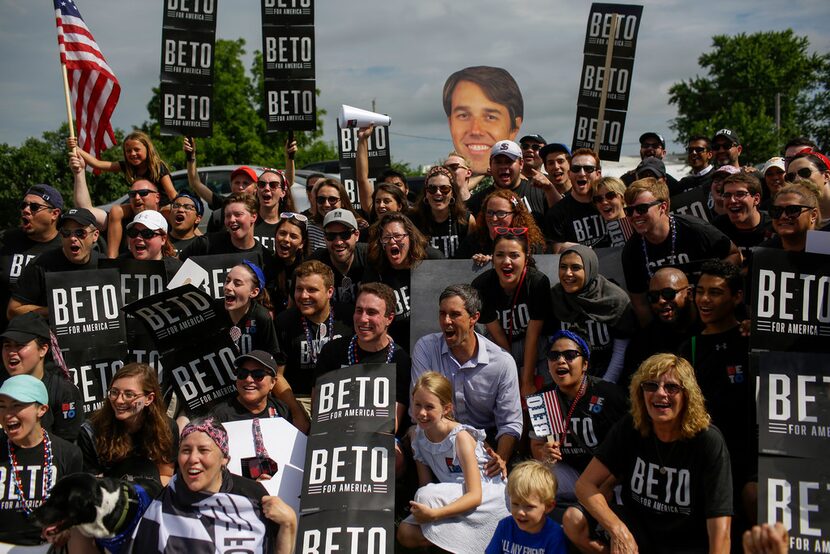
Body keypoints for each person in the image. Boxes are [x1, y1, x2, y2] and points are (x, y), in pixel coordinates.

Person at [575, 354, 733, 553]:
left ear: (687, 395)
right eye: (650, 386)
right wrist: (617, 529)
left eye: (671, 387)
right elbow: (584, 485)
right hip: (639, 535)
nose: (660, 393)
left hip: (687, 543)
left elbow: (721, 528)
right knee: (575, 520)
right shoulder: (631, 426)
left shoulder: (708, 441)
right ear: (640, 392)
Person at [128, 417, 297, 554]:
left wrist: (289, 523)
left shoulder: (251, 496)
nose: (193, 458)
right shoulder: (160, 503)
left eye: (203, 450)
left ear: (224, 459)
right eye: (186, 450)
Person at [528, 331, 627, 552]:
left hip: (610, 478)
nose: (560, 361)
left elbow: (628, 451)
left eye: (570, 355)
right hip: (572, 473)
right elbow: (535, 446)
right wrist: (544, 452)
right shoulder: (543, 398)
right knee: (523, 482)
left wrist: (608, 484)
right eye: (554, 356)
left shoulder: (609, 395)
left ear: (585, 364)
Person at [411, 284, 522, 474]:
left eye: (454, 314)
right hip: (438, 432)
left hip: (489, 441)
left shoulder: (502, 362)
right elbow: (420, 408)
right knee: (415, 433)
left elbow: (510, 424)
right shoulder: (426, 349)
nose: (446, 321)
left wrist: (499, 460)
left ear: (474, 318)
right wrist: (469, 436)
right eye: (442, 313)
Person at [397, 371, 509, 553]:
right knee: (405, 531)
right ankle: (458, 540)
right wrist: (426, 511)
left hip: (486, 499)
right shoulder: (418, 438)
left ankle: (467, 540)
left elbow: (475, 495)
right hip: (452, 495)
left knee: (426, 496)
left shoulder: (460, 437)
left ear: (447, 409)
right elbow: (425, 485)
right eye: (417, 405)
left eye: (429, 407)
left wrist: (434, 514)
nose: (422, 413)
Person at [680, 261, 755, 525]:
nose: (704, 299)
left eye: (715, 292)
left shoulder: (753, 339)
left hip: (749, 459)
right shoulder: (688, 348)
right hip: (705, 463)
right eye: (700, 291)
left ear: (737, 297)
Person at [620, 177, 741, 325]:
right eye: (629, 211)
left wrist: (713, 285)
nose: (635, 215)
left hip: (707, 314)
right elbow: (640, 303)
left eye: (642, 209)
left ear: (662, 207)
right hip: (667, 321)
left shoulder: (694, 230)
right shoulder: (632, 250)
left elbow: (734, 255)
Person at [314, 283, 411, 439]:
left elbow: (393, 423)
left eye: (372, 312)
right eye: (359, 311)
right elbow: (318, 407)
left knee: (397, 460)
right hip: (334, 434)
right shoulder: (332, 351)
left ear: (389, 318)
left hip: (377, 437)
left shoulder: (400, 360)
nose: (363, 319)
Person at [0, 375, 83, 546]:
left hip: (48, 547)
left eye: (17, 405)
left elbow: (75, 513)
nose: (8, 414)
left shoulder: (68, 453)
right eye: (2, 406)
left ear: (42, 409)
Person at [471, 228, 553, 397]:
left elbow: (533, 334)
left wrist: (527, 382)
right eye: (500, 255)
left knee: (545, 386)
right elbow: (497, 335)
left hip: (534, 345)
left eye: (514, 255)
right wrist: (514, 373)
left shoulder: (537, 282)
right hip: (502, 345)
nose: (506, 262)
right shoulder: (481, 285)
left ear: (526, 257)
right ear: (492, 257)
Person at [78, 363, 178, 485]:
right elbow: (92, 485)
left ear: (149, 399)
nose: (119, 400)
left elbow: (166, 474)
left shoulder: (167, 428)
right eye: (114, 392)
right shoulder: (91, 432)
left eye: (129, 395)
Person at [551, 245, 636, 383]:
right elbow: (551, 348)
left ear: (590, 268)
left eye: (576, 267)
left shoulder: (614, 300)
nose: (568, 273)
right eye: (563, 267)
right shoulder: (555, 298)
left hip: (610, 379)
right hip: (567, 379)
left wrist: (605, 385)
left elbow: (621, 352)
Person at [275, 260, 351, 413]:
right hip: (299, 399)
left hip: (343, 397)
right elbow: (277, 376)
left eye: (312, 290)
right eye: (299, 289)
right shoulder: (284, 322)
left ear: (330, 292)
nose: (304, 296)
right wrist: (297, 414)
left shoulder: (348, 318)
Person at [364, 212, 443, 351]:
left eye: (398, 236)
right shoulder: (376, 268)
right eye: (386, 237)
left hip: (434, 342)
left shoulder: (431, 258)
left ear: (410, 237)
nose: (392, 241)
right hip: (396, 346)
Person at [1, 313, 84, 442]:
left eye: (19, 345)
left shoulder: (63, 392)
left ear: (43, 349)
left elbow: (68, 449)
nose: (11, 352)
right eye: (7, 346)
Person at [7, 208, 100, 320]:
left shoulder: (105, 265)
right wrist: (59, 310)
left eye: (80, 233)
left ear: (95, 235)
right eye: (66, 233)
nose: (73, 238)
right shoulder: (40, 264)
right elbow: (13, 311)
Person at [0, 184, 63, 330]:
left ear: (54, 214)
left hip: (46, 341)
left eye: (34, 207)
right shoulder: (5, 241)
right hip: (6, 339)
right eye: (24, 205)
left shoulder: (67, 248)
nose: (26, 211)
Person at [443, 66, 524, 178]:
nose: (476, 131)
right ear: (450, 123)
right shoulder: (439, 189)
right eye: (464, 115)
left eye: (490, 117)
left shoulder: (534, 190)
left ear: (514, 128)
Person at [624, 268, 700, 383]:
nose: (661, 301)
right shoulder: (645, 341)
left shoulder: (711, 328)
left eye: (668, 293)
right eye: (654, 296)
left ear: (689, 294)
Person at [210, 350, 309, 435]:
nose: (248, 379)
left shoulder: (282, 409)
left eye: (258, 375)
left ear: (272, 382)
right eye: (242, 373)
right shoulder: (220, 415)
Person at [466, 140, 556, 226]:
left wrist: (550, 189)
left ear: (521, 164)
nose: (504, 166)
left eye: (509, 161)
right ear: (490, 164)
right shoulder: (476, 201)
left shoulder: (541, 193)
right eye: (498, 162)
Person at [486, 460, 568, 554]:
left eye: (529, 506)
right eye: (515, 504)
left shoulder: (554, 535)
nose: (520, 511)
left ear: (548, 506)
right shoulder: (505, 526)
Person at [455, 188, 546, 262]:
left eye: (501, 213)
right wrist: (472, 264)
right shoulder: (473, 242)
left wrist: (496, 261)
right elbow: (456, 270)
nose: (494, 218)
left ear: (515, 215)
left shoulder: (530, 242)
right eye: (490, 212)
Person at [544, 148, 606, 251]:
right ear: (569, 174)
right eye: (576, 169)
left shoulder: (608, 204)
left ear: (598, 174)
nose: (581, 173)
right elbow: (556, 252)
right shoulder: (556, 214)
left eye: (588, 168)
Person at [179, 192, 270, 261]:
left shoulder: (264, 257)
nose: (231, 220)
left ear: (253, 217)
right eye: (227, 216)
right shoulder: (206, 244)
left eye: (238, 214)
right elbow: (174, 265)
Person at [410, 165, 476, 258]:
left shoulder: (467, 220)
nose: (438, 193)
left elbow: (473, 254)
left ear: (452, 192)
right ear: (426, 193)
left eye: (444, 188)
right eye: (432, 189)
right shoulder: (412, 221)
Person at [219, 261, 280, 357]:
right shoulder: (214, 310)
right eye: (227, 281)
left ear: (254, 292)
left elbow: (271, 357)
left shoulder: (261, 316)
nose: (228, 287)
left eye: (237, 284)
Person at [311, 209, 367, 310]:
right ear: (324, 237)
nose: (338, 242)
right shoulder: (315, 263)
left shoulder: (369, 255)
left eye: (345, 235)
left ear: (357, 235)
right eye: (331, 236)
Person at [713, 173, 773, 261]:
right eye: (727, 195)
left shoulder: (774, 226)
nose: (732, 200)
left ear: (756, 199)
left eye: (740, 194)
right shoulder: (717, 228)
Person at [758, 181, 821, 252]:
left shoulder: (825, 247)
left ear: (813, 215)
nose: (783, 216)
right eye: (777, 210)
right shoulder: (765, 251)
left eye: (793, 210)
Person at [120, 209, 182, 279]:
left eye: (147, 233)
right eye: (133, 232)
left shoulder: (178, 272)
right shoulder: (118, 266)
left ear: (163, 239)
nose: (138, 237)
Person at [267, 212, 309, 314]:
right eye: (282, 233)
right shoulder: (266, 265)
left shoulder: (308, 270)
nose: (286, 239)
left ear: (301, 244)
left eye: (293, 236)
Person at [307, 178, 364, 252]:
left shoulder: (360, 226)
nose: (326, 204)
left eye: (332, 199)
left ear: (343, 201)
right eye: (321, 199)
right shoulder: (309, 227)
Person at [253, 168, 296, 252]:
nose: (266, 188)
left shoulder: (290, 225)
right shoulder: (248, 222)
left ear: (283, 192)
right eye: (262, 184)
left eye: (273, 185)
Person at [786, 151, 830, 224]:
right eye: (791, 177)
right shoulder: (790, 218)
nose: (796, 180)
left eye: (804, 172)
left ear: (826, 176)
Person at [591, 176, 634, 248]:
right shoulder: (598, 239)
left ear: (622, 198)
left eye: (610, 196)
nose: (604, 202)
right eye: (598, 199)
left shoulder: (637, 226)